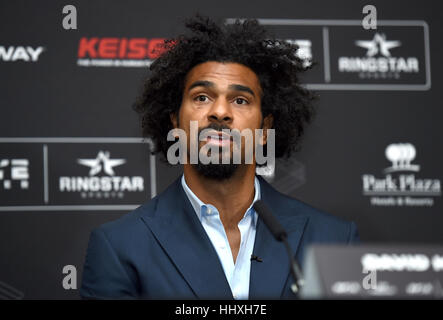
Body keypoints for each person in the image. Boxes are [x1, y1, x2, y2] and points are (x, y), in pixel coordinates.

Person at [80, 15, 359, 300]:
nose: (220, 111)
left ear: (264, 129)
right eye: (202, 97)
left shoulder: (333, 240)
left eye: (240, 100)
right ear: (175, 123)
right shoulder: (119, 247)